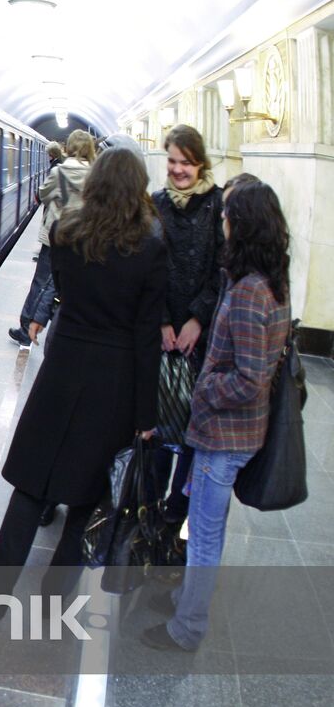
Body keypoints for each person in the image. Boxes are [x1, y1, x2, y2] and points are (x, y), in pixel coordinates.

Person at [0, 148, 165, 602]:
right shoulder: (151, 248)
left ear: (95, 183)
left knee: (30, 484)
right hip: (114, 381)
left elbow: (60, 290)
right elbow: (147, 336)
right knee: (86, 494)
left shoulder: (67, 233)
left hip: (62, 367)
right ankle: (54, 599)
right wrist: (146, 412)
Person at [143, 179, 291, 652]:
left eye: (227, 216)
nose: (221, 224)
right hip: (234, 433)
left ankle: (187, 628)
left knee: (205, 536)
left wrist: (203, 390)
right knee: (209, 526)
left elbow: (250, 378)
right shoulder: (272, 283)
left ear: (242, 226)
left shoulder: (249, 293)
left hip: (224, 435)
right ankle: (188, 596)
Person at [151, 124, 224, 521]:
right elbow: (150, 266)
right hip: (160, 333)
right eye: (173, 161)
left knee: (193, 420)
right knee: (159, 417)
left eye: (187, 163)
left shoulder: (218, 204)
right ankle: (151, 497)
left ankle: (176, 507)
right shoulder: (156, 203)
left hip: (202, 334)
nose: (178, 170)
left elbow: (221, 269)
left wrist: (198, 317)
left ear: (200, 164)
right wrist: (162, 321)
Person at [8, 130, 95, 347]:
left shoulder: (60, 172)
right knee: (67, 284)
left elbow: (43, 195)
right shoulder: (95, 174)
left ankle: (27, 328)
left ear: (70, 147)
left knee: (42, 282)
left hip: (56, 236)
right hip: (82, 239)